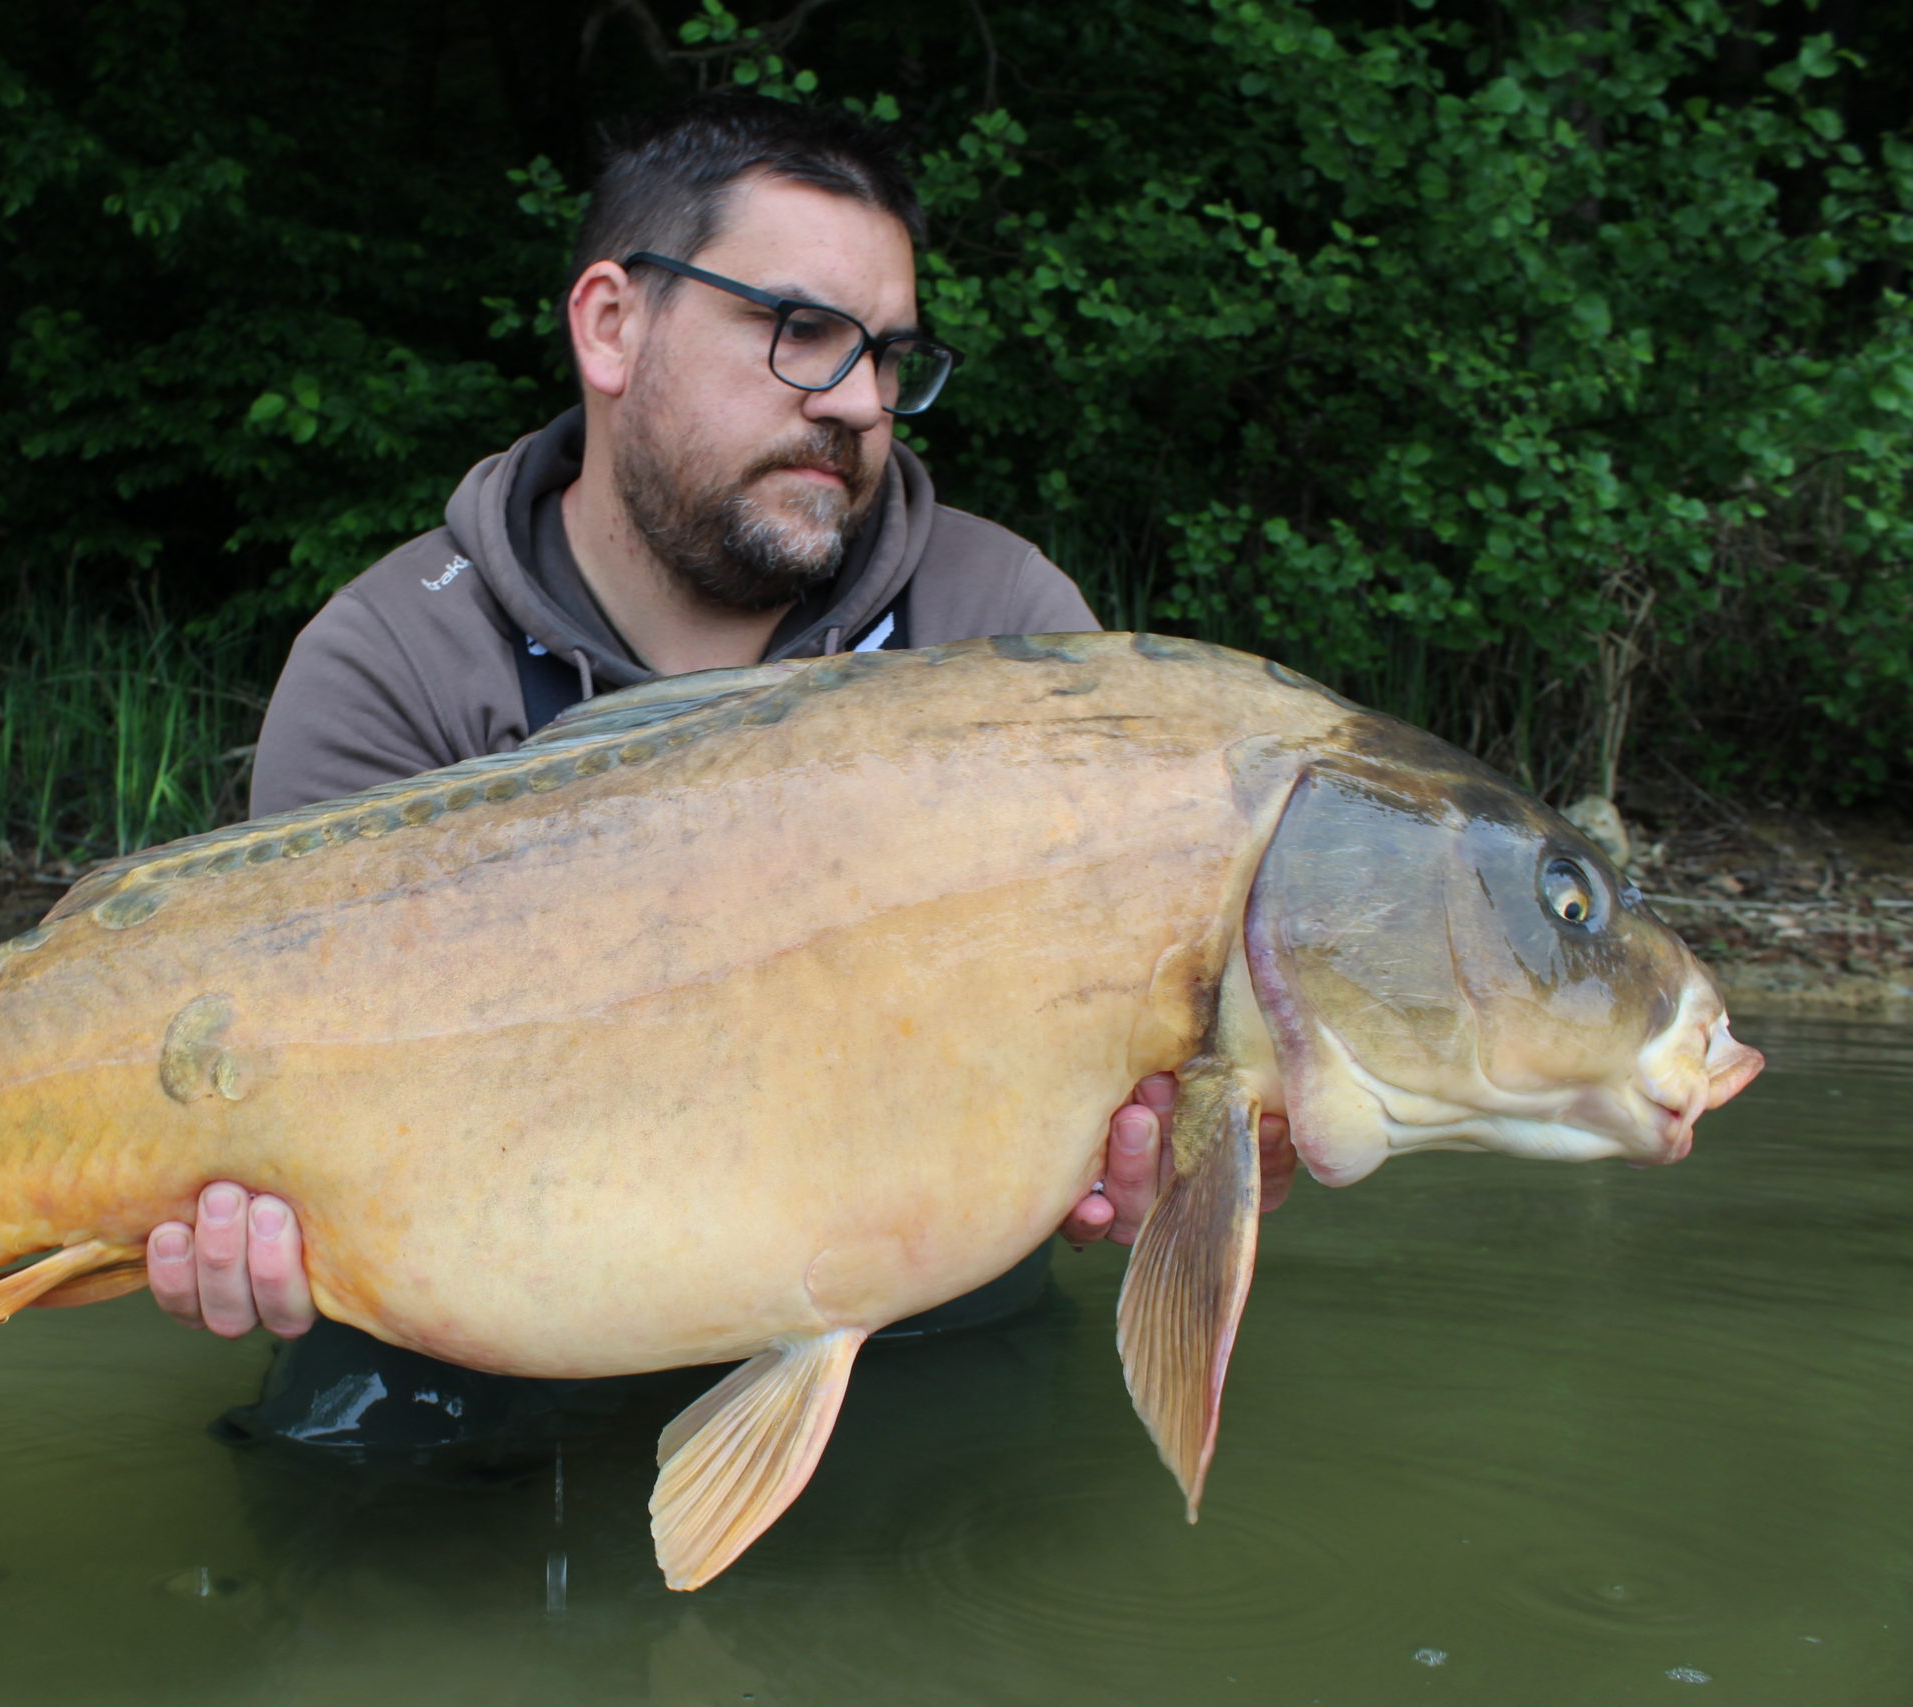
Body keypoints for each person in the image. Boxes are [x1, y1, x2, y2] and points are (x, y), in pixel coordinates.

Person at [141, 94, 1295, 1463]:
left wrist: (1202, 1155)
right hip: (472, 1312)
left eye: (890, 357)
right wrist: (226, 1214)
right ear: (611, 327)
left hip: (911, 1311)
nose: (858, 403)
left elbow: (1149, 1084)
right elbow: (259, 1087)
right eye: (801, 332)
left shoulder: (1007, 634)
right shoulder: (393, 660)